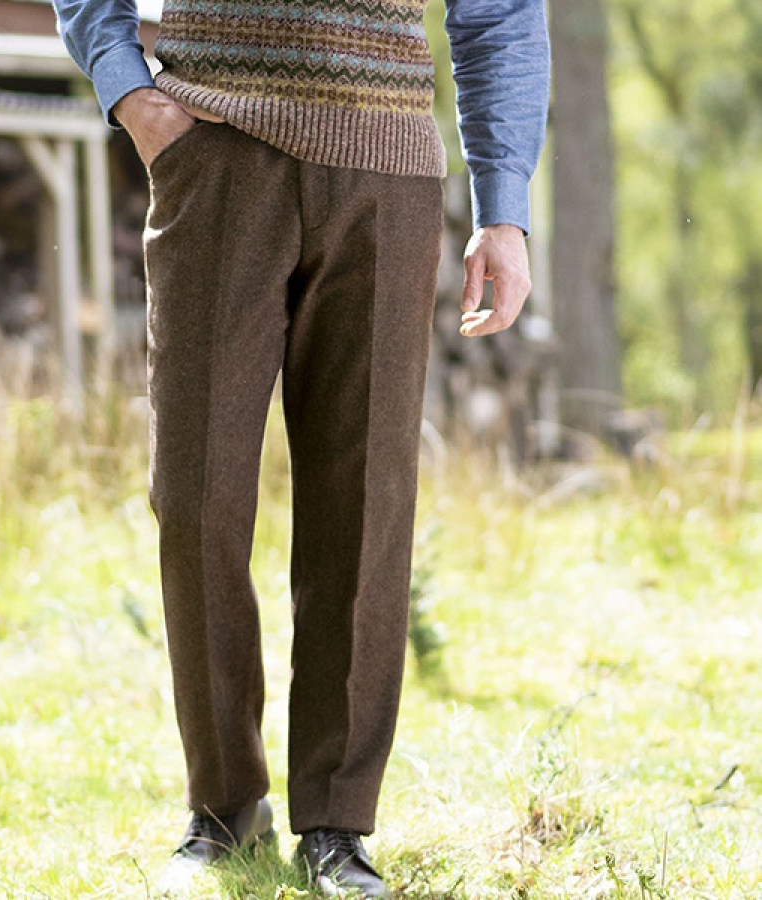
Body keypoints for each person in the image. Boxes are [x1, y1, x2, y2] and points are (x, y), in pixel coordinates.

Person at [51, 0, 549, 895]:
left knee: (365, 500)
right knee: (196, 494)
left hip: (385, 170)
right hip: (213, 147)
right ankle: (223, 810)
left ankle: (337, 824)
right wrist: (127, 88)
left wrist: (503, 208)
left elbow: (501, 11)